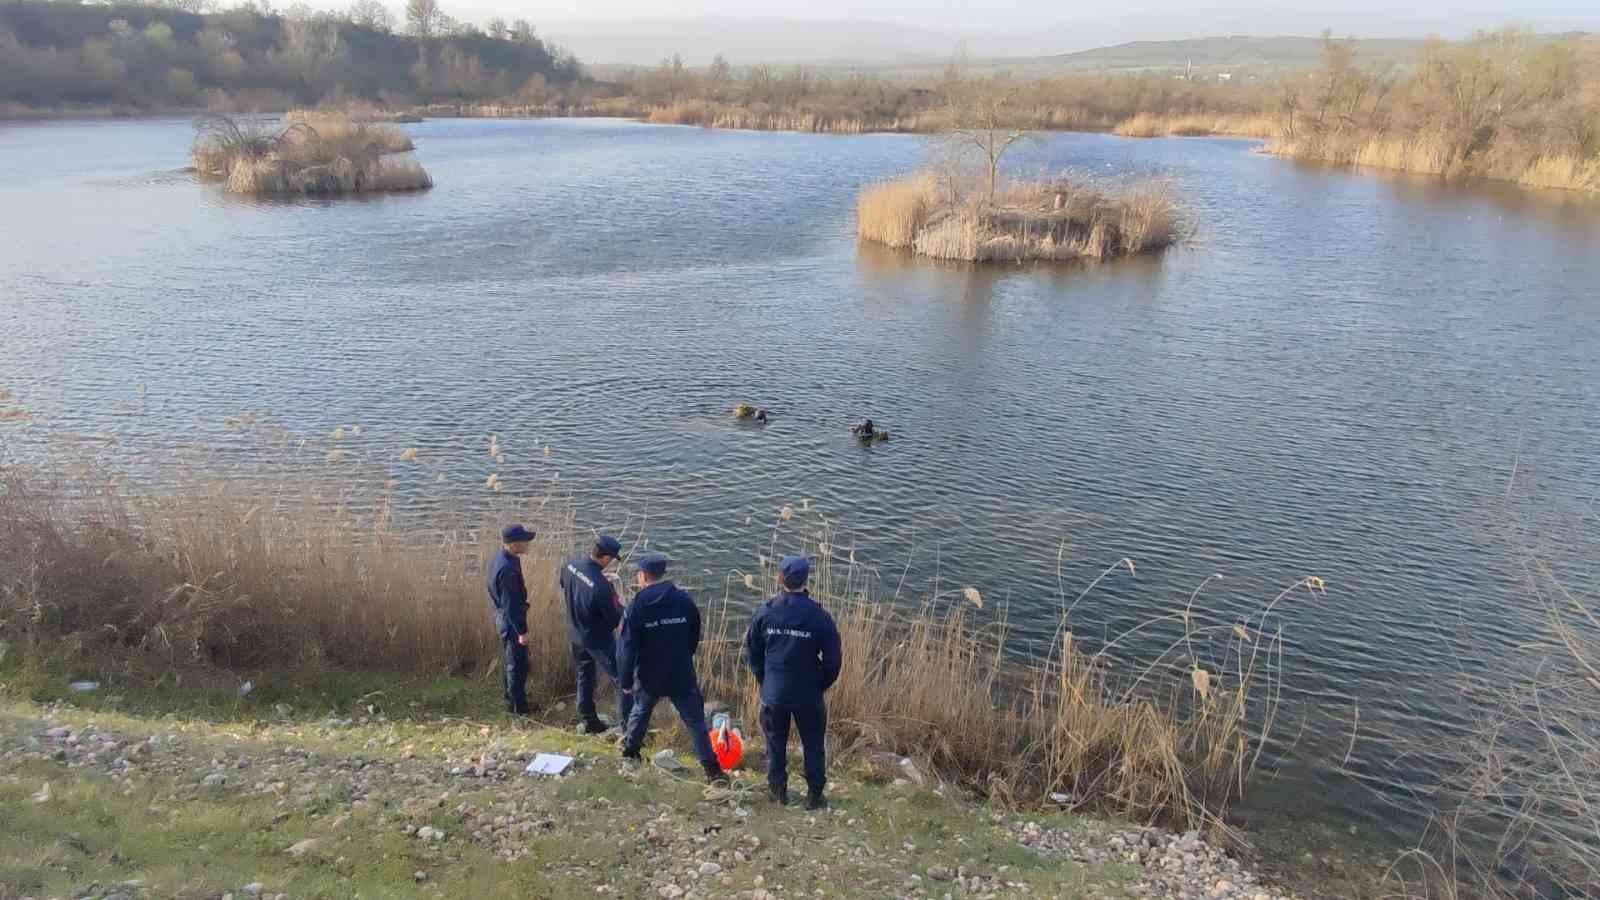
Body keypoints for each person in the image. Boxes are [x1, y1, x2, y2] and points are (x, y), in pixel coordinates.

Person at [616, 551, 727, 785]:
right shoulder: (684, 600)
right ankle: (713, 771)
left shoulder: (636, 606)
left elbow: (626, 648)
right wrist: (684, 655)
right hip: (680, 672)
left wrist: (625, 681)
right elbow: (694, 634)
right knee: (695, 722)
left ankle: (630, 752)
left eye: (638, 573)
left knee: (640, 711)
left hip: (649, 674)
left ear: (644, 576)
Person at [744, 555, 842, 809]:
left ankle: (778, 793)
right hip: (808, 692)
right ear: (805, 579)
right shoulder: (820, 616)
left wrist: (765, 680)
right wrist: (819, 684)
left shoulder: (765, 611)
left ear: (780, 578)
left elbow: (752, 653)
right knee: (813, 744)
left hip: (774, 691)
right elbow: (833, 662)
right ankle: (815, 796)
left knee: (775, 743)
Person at [562, 534, 630, 734]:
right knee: (621, 678)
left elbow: (565, 585)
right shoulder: (602, 586)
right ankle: (628, 727)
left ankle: (588, 719)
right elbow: (615, 619)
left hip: (575, 632)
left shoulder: (569, 566)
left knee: (585, 673)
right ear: (606, 558)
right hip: (597, 639)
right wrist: (616, 595)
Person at [487, 524, 537, 716]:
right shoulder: (507, 569)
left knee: (512, 661)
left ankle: (513, 698)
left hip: (504, 616)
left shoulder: (503, 558)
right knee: (517, 664)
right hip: (511, 621)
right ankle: (518, 707)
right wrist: (522, 631)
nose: (528, 543)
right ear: (515, 544)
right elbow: (511, 605)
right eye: (525, 540)